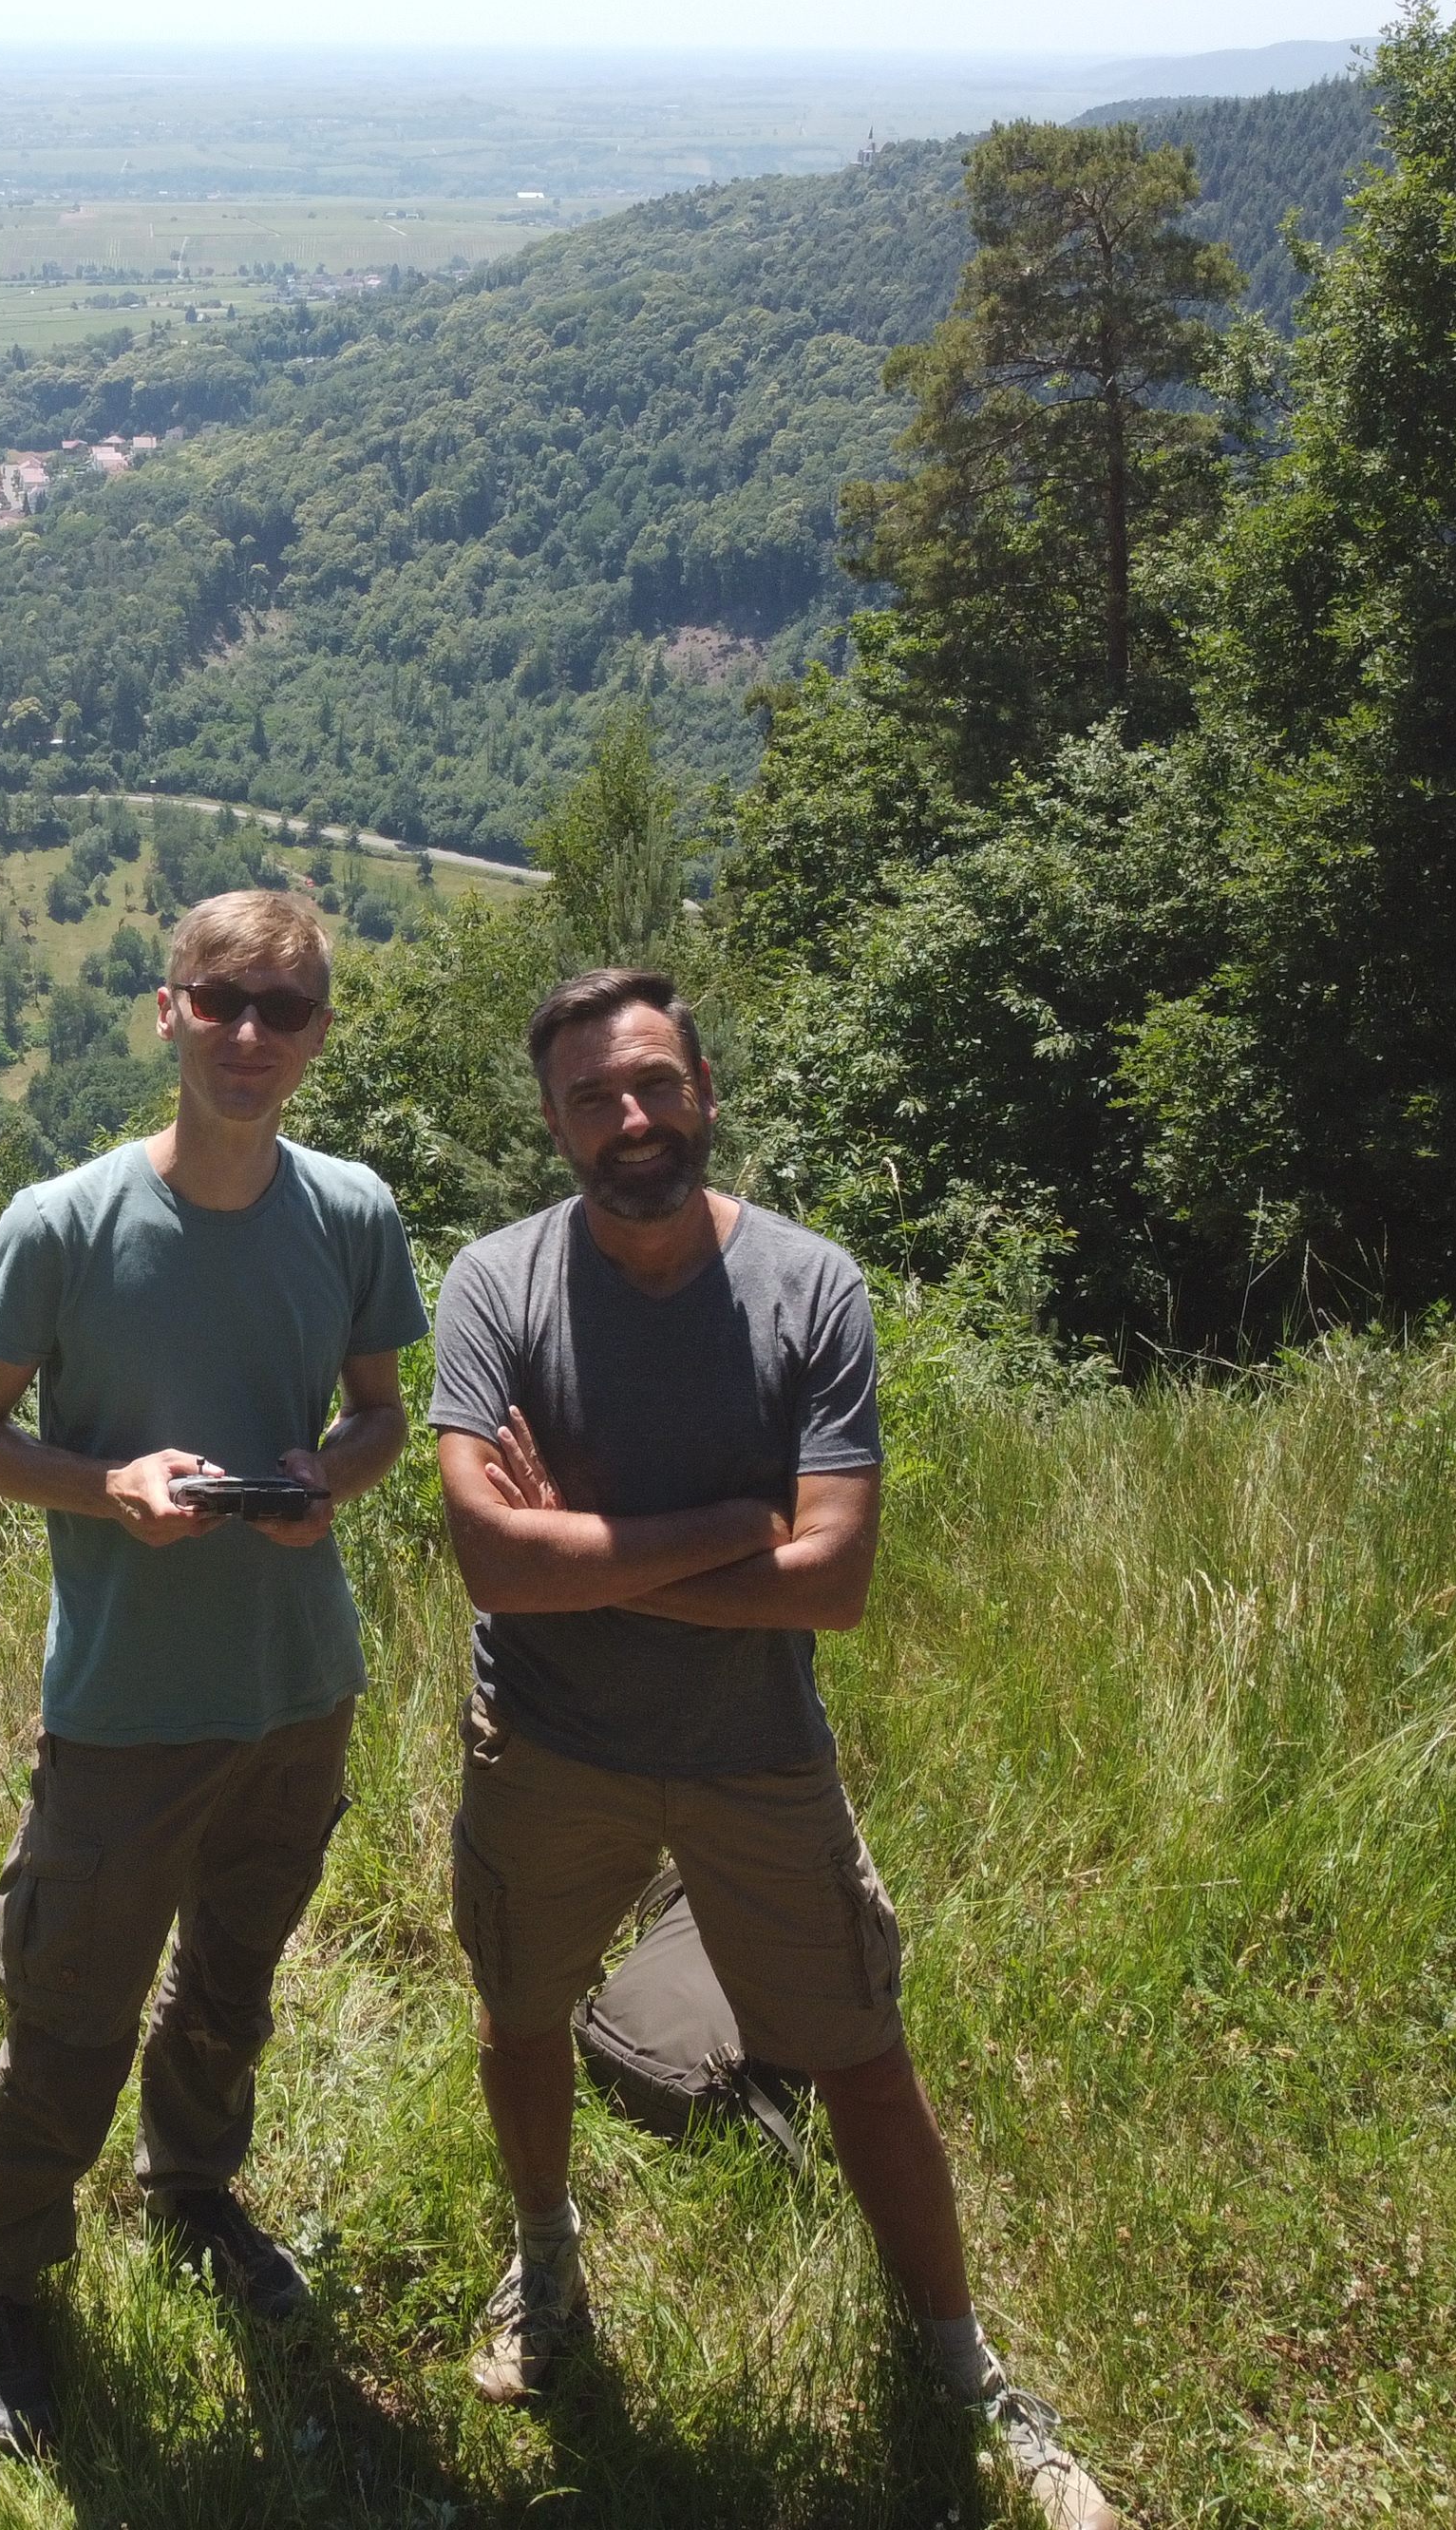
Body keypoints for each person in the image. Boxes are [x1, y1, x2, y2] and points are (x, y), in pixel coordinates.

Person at [426, 967, 1122, 2529]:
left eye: (654, 1084)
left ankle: (963, 2372)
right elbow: (490, 1559)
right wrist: (737, 1523)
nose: (630, 1119)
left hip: (756, 1750)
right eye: (594, 1097)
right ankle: (547, 2263)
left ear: (705, 1089)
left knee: (862, 2054)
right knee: (521, 2013)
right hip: (545, 1739)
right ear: (553, 1123)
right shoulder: (494, 1284)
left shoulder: (811, 1287)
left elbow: (838, 1582)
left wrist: (585, 1550)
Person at [0, 886, 427, 2461]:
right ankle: (0, 2289)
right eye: (222, 1000)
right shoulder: (63, 1224)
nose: (249, 1035)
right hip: (128, 1706)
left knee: (230, 1983)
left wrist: (327, 1478)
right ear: (168, 1012)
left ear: (319, 1035)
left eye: (285, 1010)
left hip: (299, 1687)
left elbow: (379, 1416)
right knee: (69, 2013)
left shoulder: (351, 1211)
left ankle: (194, 2192)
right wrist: (107, 1488)